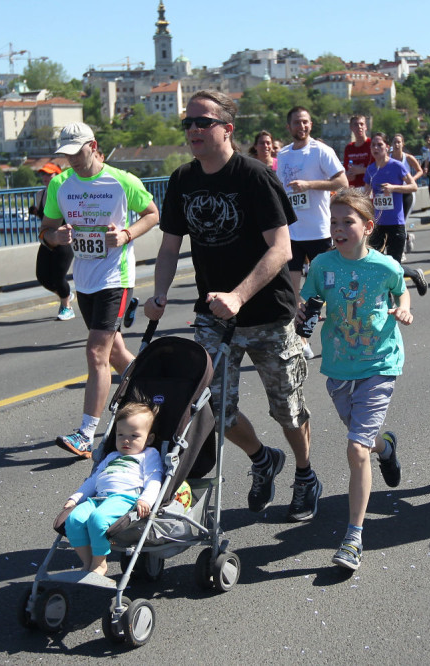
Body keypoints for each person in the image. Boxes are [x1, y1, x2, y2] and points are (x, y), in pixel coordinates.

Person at [146, 90, 322, 522]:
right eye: (187, 123)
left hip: (267, 315)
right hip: (213, 319)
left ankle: (305, 475)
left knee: (288, 409)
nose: (193, 130)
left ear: (227, 128)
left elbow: (281, 249)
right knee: (214, 408)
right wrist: (159, 294)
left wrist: (240, 295)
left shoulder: (255, 175)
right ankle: (263, 459)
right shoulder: (183, 180)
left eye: (202, 122)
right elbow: (169, 249)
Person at [298, 188, 410, 571]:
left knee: (355, 449)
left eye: (348, 222)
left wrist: (403, 310)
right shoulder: (322, 265)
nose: (339, 229)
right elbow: (309, 304)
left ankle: (353, 537)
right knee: (363, 438)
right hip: (339, 368)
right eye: (334, 222)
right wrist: (299, 329)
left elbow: (402, 290)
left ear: (368, 226)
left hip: (379, 363)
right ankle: (387, 448)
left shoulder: (384, 266)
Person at [42, 122, 159, 458]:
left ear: (92, 146)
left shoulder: (121, 181)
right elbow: (47, 230)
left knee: (95, 352)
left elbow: (152, 214)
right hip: (85, 280)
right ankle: (155, 395)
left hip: (116, 277)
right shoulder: (59, 184)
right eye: (65, 154)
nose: (71, 160)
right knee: (114, 354)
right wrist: (56, 237)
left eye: (76, 152)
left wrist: (125, 235)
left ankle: (85, 434)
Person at [53, 401, 163, 576]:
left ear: (149, 439)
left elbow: (154, 480)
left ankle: (100, 563)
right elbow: (93, 480)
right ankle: (88, 563)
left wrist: (146, 500)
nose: (126, 440)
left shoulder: (148, 455)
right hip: (99, 498)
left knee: (98, 520)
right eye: (120, 435)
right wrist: (76, 498)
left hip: (124, 498)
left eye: (134, 436)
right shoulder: (112, 456)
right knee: (73, 520)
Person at [276, 106, 348, 359]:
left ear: (311, 124)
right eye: (297, 123)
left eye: (305, 122)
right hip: (292, 233)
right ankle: (302, 339)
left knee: (324, 289)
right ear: (289, 127)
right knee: (293, 292)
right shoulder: (283, 155)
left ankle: (341, 333)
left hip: (318, 231)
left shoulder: (320, 151)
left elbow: (342, 182)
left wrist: (310, 184)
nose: (301, 127)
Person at [365, 132, 429, 296]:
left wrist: (394, 188)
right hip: (378, 223)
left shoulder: (396, 166)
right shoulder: (371, 169)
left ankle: (415, 274)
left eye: (380, 145)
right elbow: (366, 195)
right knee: (376, 263)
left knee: (394, 266)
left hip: (395, 222)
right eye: (373, 145)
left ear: (387, 147)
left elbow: (413, 186)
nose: (376, 148)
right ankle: (386, 299)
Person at [29, 162, 74, 320]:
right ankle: (66, 294)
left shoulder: (65, 193)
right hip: (48, 239)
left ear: (58, 175)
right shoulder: (40, 195)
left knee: (58, 277)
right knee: (42, 277)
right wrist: (35, 212)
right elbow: (46, 217)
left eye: (49, 174)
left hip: (64, 239)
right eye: (43, 174)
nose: (45, 177)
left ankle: (66, 307)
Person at [343, 115, 372, 187]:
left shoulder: (372, 144)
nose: (359, 127)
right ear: (351, 128)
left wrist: (362, 170)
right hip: (353, 189)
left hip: (369, 188)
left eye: (361, 124)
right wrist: (347, 175)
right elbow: (345, 169)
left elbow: (380, 168)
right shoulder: (349, 148)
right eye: (356, 124)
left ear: (366, 127)